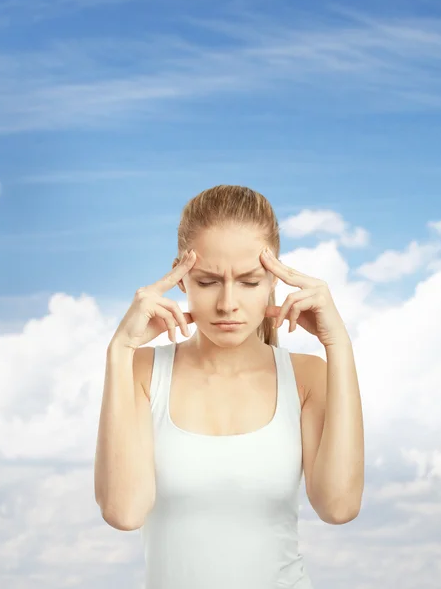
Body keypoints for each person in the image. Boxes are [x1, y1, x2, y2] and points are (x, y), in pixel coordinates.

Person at [94, 185, 361, 588]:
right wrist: (120, 349)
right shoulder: (143, 373)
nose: (227, 304)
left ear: (275, 280)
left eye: (250, 282)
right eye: (208, 281)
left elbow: (339, 506)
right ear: (180, 279)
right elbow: (124, 512)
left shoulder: (307, 378)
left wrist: (338, 345)